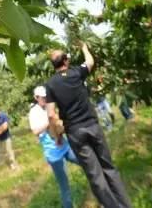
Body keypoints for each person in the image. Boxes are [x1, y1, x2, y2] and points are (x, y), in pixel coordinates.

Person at [45, 43, 132, 208]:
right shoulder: (76, 73)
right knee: (109, 168)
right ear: (65, 61)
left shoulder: (50, 84)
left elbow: (50, 114)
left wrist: (57, 136)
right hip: (93, 126)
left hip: (75, 132)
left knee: (94, 174)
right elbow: (90, 62)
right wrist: (84, 48)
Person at [29, 86, 79, 208]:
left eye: (46, 97)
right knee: (64, 185)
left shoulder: (49, 106)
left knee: (84, 160)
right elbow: (35, 131)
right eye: (42, 97)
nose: (45, 99)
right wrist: (48, 123)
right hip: (53, 153)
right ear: (36, 98)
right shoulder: (33, 112)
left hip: (64, 145)